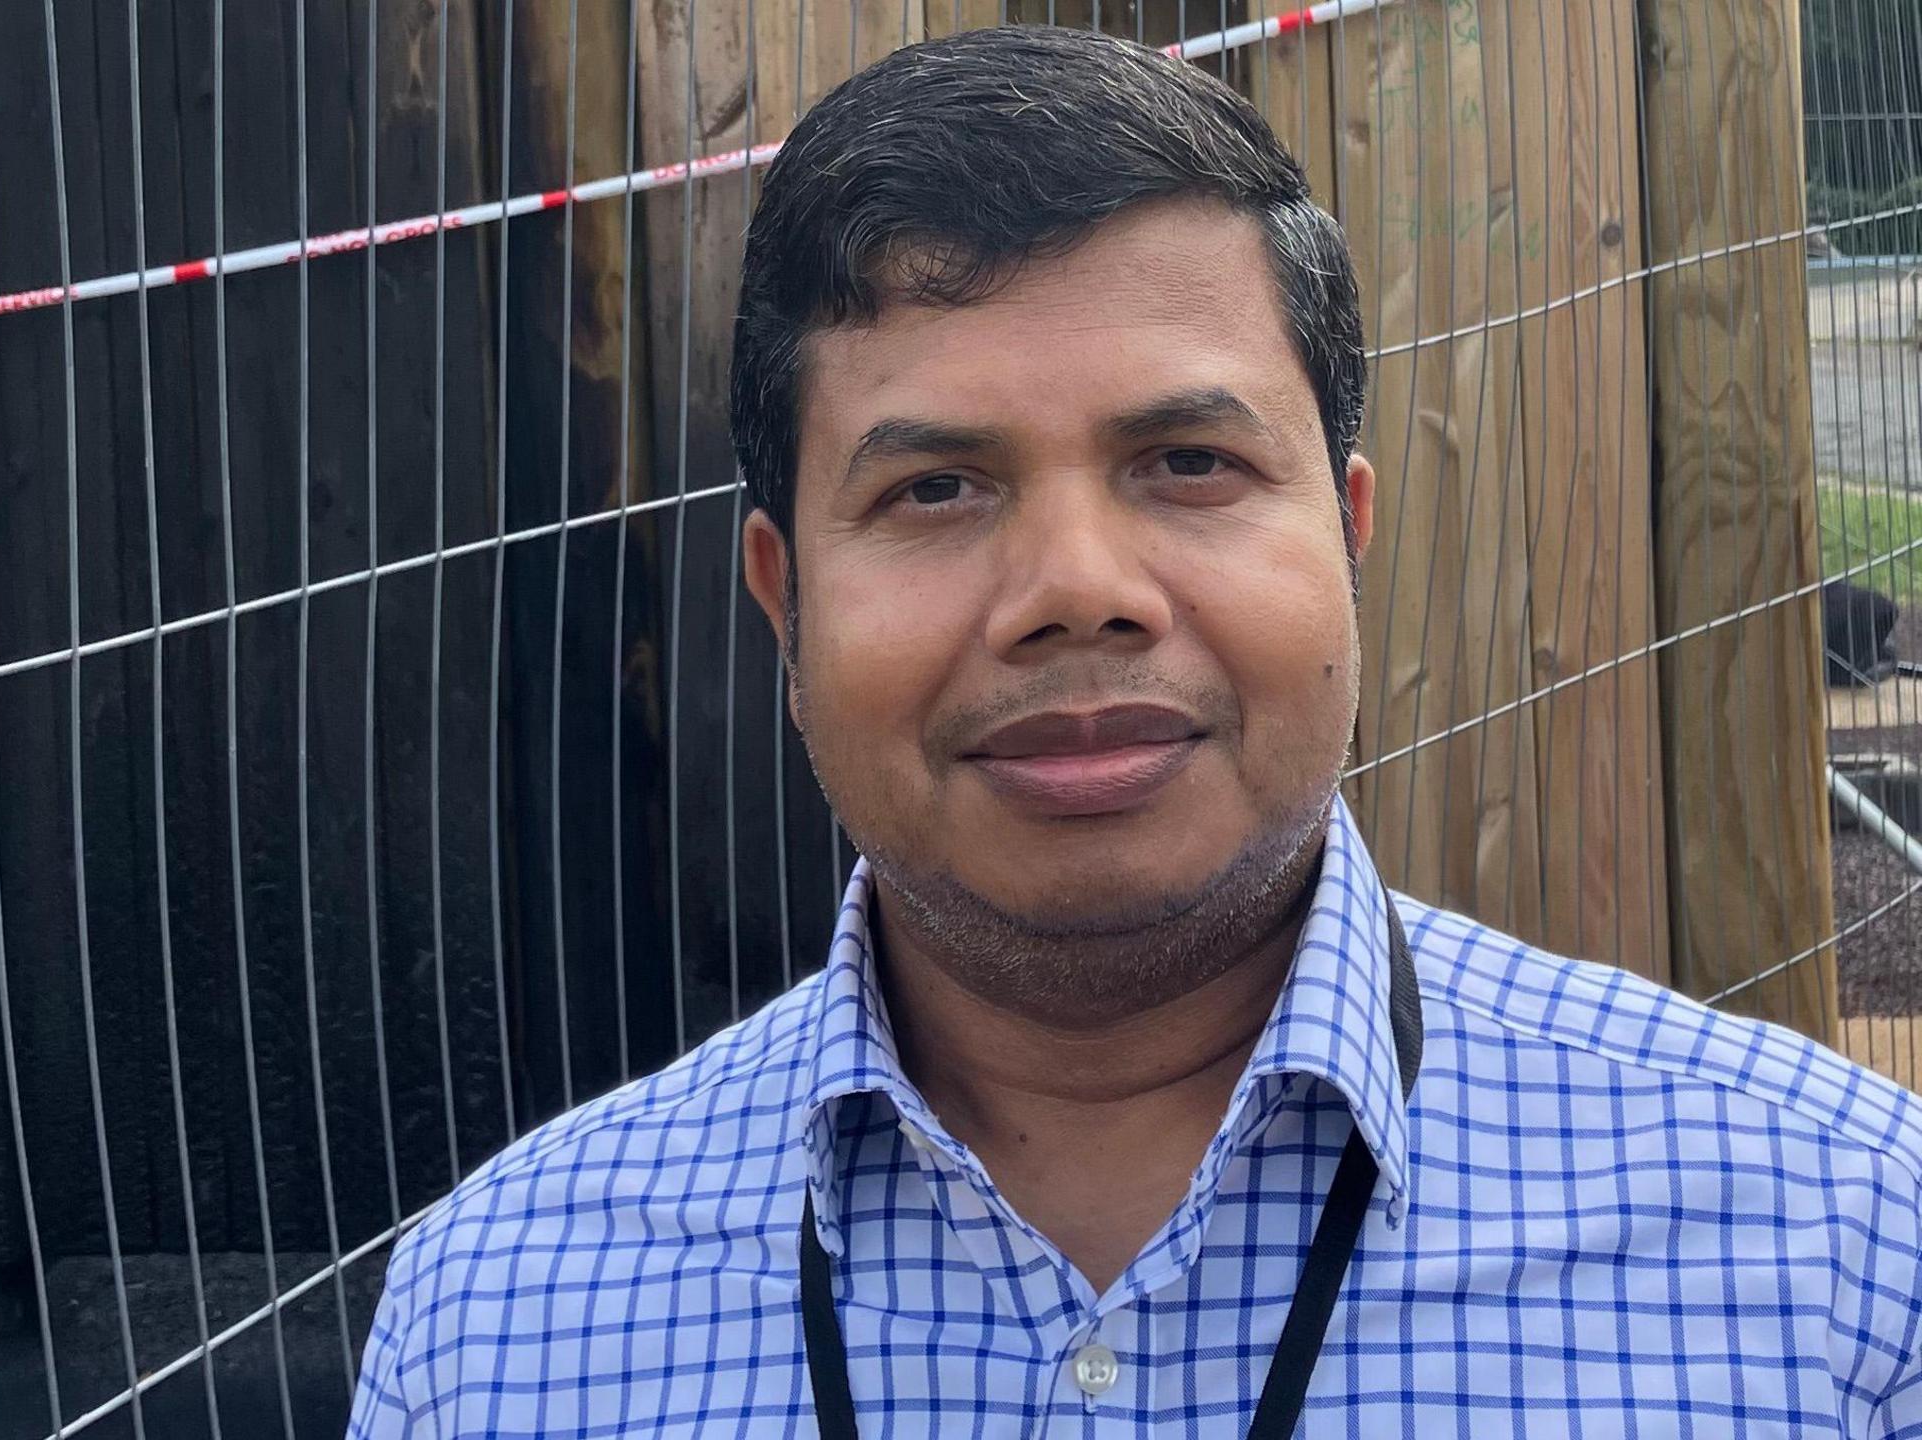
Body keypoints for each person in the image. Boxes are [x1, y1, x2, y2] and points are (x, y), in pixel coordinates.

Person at [349, 25, 1922, 1437]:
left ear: (1349, 537)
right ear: (786, 598)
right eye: (934, 489)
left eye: (1186, 463)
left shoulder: (1843, 1254)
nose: (1077, 592)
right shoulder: (492, 1330)